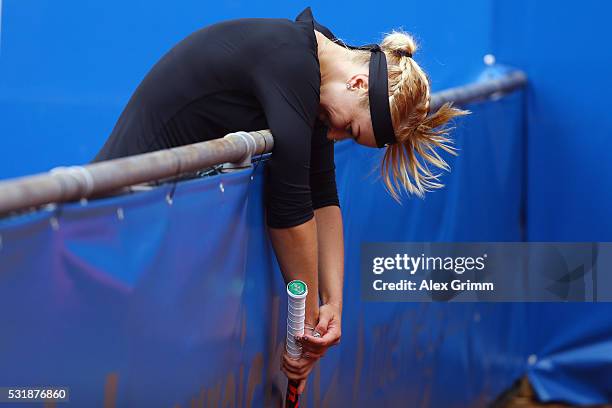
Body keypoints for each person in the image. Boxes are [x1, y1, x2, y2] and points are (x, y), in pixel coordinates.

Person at [92, 7, 468, 395]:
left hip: (157, 222)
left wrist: (333, 306)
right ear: (357, 83)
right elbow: (289, 207)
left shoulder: (320, 65)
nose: (336, 136)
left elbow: (322, 194)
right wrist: (302, 333)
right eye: (350, 129)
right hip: (114, 221)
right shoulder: (292, 62)